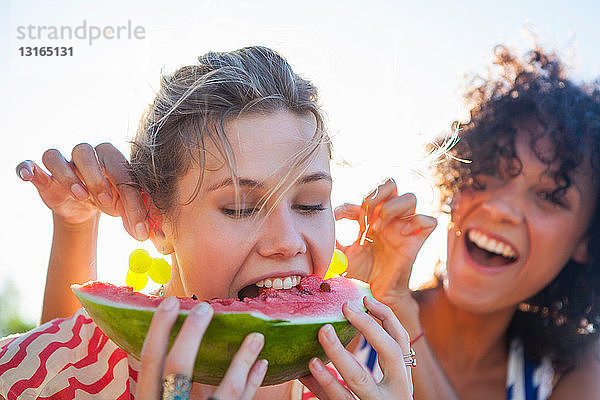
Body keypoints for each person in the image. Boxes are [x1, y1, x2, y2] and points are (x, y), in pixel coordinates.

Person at [1, 46, 435, 400]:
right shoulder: (30, 378)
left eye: (309, 204)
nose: (286, 242)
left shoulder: (361, 391)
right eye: (240, 208)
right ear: (156, 220)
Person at [336, 46, 600, 399]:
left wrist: (404, 312)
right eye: (491, 170)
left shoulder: (575, 379)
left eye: (550, 196)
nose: (500, 208)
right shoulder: (352, 322)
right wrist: (385, 299)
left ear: (587, 239)